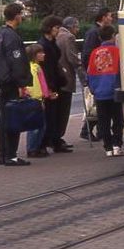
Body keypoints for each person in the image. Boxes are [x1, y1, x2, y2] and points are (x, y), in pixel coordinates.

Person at [0, 2, 32, 166]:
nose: (22, 17)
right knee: (13, 120)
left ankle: (4, 154)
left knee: (4, 120)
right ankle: (11, 155)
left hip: (1, 81)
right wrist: (22, 83)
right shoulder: (12, 37)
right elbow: (17, 61)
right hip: (11, 82)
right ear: (17, 16)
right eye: (21, 14)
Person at [87, 25, 124, 157]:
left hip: (99, 92)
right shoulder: (117, 51)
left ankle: (108, 147)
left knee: (103, 121)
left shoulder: (95, 53)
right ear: (113, 36)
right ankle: (117, 145)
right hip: (114, 90)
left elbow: (90, 73)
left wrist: (93, 89)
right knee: (118, 120)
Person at [38, 15, 71, 154]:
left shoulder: (52, 43)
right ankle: (44, 142)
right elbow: (45, 69)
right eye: (57, 28)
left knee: (56, 114)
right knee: (49, 115)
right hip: (49, 84)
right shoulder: (43, 45)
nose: (58, 30)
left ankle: (55, 140)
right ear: (50, 28)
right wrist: (50, 86)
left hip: (55, 82)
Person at [80, 7, 114, 141]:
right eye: (110, 16)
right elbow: (87, 54)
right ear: (103, 17)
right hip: (99, 72)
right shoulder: (94, 33)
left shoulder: (98, 31)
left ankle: (100, 130)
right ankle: (87, 129)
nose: (111, 19)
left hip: (103, 71)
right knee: (98, 102)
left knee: (101, 102)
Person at [24, 43, 55, 158]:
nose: (43, 54)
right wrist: (39, 98)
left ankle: (35, 147)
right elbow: (34, 86)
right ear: (34, 55)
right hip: (35, 100)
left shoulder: (37, 67)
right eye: (40, 53)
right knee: (35, 127)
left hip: (38, 99)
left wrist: (47, 94)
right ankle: (32, 148)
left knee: (40, 125)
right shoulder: (33, 69)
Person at [55, 16, 81, 148]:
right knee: (64, 110)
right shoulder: (69, 37)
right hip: (66, 77)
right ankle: (58, 137)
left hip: (56, 77)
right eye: (77, 26)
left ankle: (55, 137)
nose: (78, 29)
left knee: (56, 110)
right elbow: (72, 57)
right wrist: (81, 67)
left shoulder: (57, 34)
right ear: (71, 26)